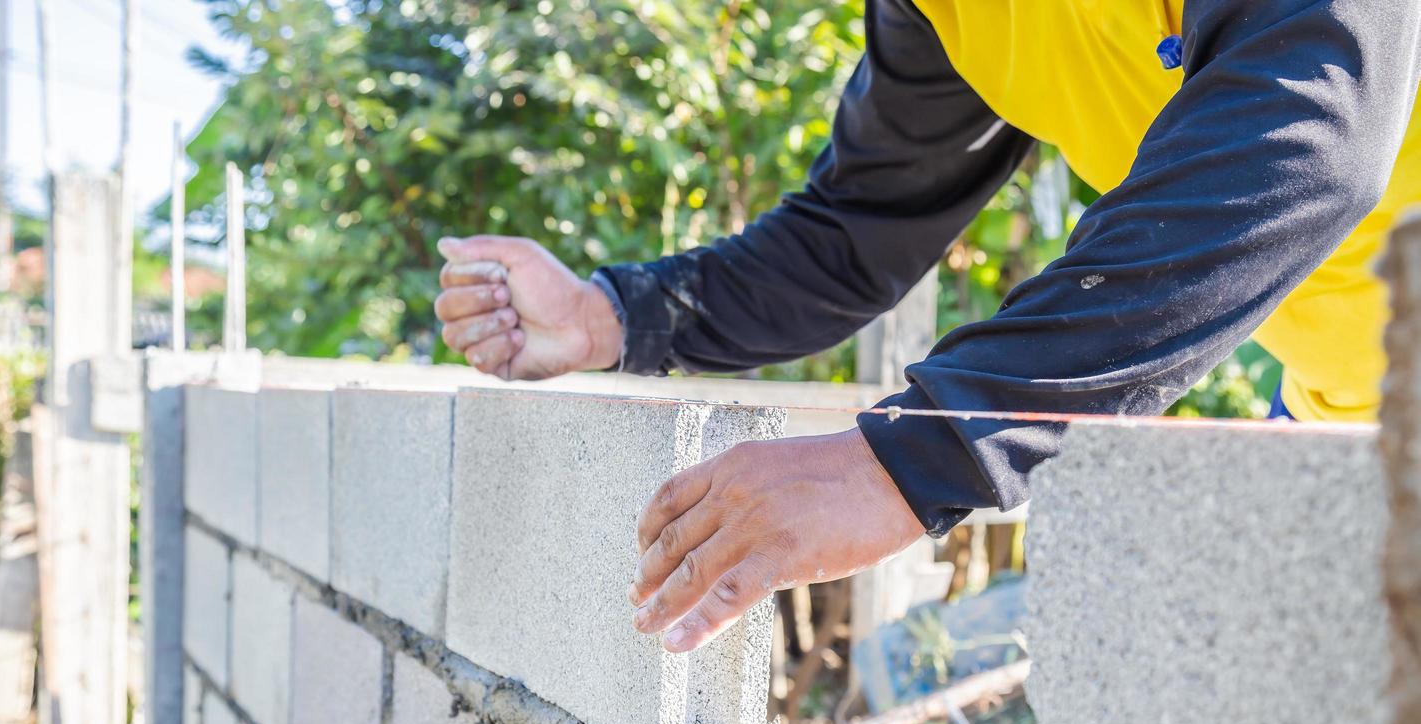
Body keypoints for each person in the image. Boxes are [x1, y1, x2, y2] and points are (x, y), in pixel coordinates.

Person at [433, 0, 1421, 654]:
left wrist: (910, 456)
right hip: (1353, 423)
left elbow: (1306, 128)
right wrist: (609, 315)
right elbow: (858, 230)